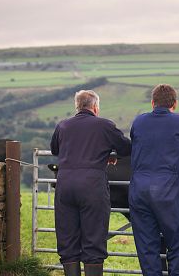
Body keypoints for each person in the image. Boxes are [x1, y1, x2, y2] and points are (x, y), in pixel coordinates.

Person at [129, 84, 179, 276]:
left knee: (147, 245)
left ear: (152, 103)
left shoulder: (138, 121)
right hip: (168, 191)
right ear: (175, 103)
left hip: (139, 190)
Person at [50, 90, 131, 276]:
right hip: (92, 186)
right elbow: (126, 148)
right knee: (93, 238)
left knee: (67, 238)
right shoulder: (104, 125)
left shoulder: (62, 126)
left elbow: (55, 149)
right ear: (95, 107)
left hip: (65, 185)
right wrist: (107, 153)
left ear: (77, 106)